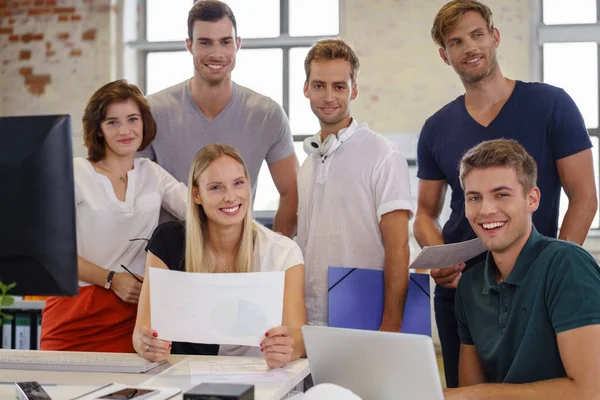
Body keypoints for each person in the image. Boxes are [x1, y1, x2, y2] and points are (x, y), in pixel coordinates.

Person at [414, 0, 598, 387]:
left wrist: (550, 272)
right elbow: (425, 214)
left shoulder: (552, 105)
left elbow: (584, 196)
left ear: (495, 37)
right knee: (468, 389)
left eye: (477, 35)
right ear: (445, 56)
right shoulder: (435, 128)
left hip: (534, 293)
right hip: (464, 293)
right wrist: (439, 261)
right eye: (457, 42)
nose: (470, 47)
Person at [444, 139, 600, 399]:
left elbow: (591, 391)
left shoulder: (567, 265)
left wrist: (475, 395)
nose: (486, 210)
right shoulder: (469, 286)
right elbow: (469, 390)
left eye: (501, 194)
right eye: (475, 198)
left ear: (532, 199)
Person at [40, 80, 187, 352]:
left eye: (132, 119)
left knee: (130, 393)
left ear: (144, 123)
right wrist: (111, 279)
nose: (125, 130)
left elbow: (198, 210)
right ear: (98, 130)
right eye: (112, 122)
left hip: (132, 315)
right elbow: (52, 254)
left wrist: (269, 243)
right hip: (76, 311)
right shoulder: (74, 172)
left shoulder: (152, 174)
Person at [133, 144, 306, 369]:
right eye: (216, 187)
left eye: (238, 183)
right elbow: (141, 333)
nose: (230, 197)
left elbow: (298, 340)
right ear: (196, 194)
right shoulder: (168, 241)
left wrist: (286, 350)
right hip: (181, 379)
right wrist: (147, 346)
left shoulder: (284, 252)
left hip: (258, 378)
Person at [138, 0, 299, 237]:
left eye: (225, 42)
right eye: (205, 42)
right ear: (189, 45)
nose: (216, 53)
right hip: (170, 260)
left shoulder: (267, 114)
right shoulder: (151, 112)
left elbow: (292, 192)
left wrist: (275, 253)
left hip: (239, 259)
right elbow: (133, 196)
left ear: (238, 45)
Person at [297, 38, 413, 331]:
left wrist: (391, 323)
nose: (328, 96)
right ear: (306, 88)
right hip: (310, 316)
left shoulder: (383, 154)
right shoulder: (308, 162)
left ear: (354, 90)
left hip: (365, 313)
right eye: (319, 85)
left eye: (339, 86)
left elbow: (398, 247)